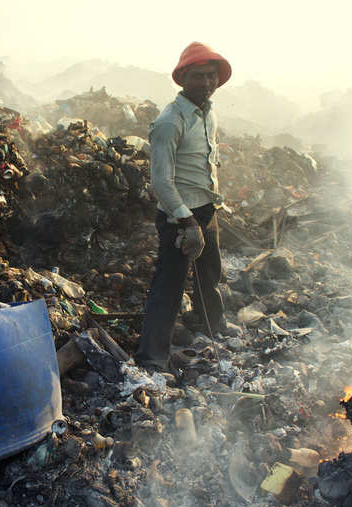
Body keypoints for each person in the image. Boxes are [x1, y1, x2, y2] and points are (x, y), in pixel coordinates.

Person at [136, 42, 232, 369]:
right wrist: (187, 223)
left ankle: (210, 325)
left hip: (206, 208)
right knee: (169, 286)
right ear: (182, 79)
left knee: (209, 273)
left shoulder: (208, 113)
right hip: (180, 216)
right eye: (198, 77)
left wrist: (211, 204)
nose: (206, 83)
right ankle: (152, 357)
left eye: (211, 76)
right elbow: (161, 182)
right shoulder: (169, 121)